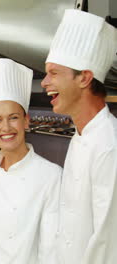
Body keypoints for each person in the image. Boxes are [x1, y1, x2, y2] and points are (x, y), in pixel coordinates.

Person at [0, 58, 62, 264]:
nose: (6, 128)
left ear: (26, 121)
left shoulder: (51, 176)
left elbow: (51, 252)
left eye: (13, 117)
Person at [41, 9, 117, 264]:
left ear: (84, 78)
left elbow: (107, 243)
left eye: (53, 73)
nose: (44, 82)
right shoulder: (82, 135)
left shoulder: (109, 145)